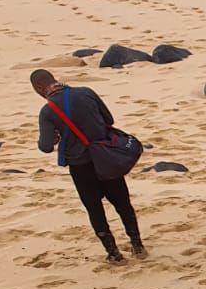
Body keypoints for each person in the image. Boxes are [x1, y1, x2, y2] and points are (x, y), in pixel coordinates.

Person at [33, 70, 144, 264]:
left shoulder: (48, 111)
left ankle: (113, 253)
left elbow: (46, 146)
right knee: (123, 203)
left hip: (80, 165)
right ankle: (137, 245)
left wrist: (57, 136)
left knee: (94, 209)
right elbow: (108, 120)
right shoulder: (86, 92)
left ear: (39, 88)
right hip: (106, 158)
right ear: (54, 78)